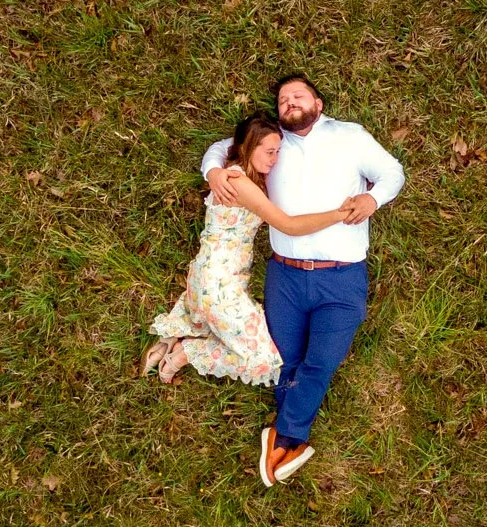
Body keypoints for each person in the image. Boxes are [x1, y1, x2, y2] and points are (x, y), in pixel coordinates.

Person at [203, 74, 404, 486]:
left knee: (321, 362)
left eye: (298, 95)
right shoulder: (272, 142)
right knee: (285, 361)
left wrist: (372, 198)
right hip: (286, 277)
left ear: (318, 103)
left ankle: (287, 437)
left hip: (342, 278)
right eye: (282, 100)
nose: (290, 102)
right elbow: (222, 149)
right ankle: (288, 444)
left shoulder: (350, 136)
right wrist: (213, 173)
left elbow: (392, 173)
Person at [144, 113, 355, 397]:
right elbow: (288, 225)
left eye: (278, 152)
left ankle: (168, 343)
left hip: (210, 276)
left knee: (217, 326)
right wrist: (338, 215)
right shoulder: (238, 182)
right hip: (219, 285)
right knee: (263, 360)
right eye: (269, 152)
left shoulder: (240, 177)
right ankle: (184, 352)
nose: (275, 159)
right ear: (248, 146)